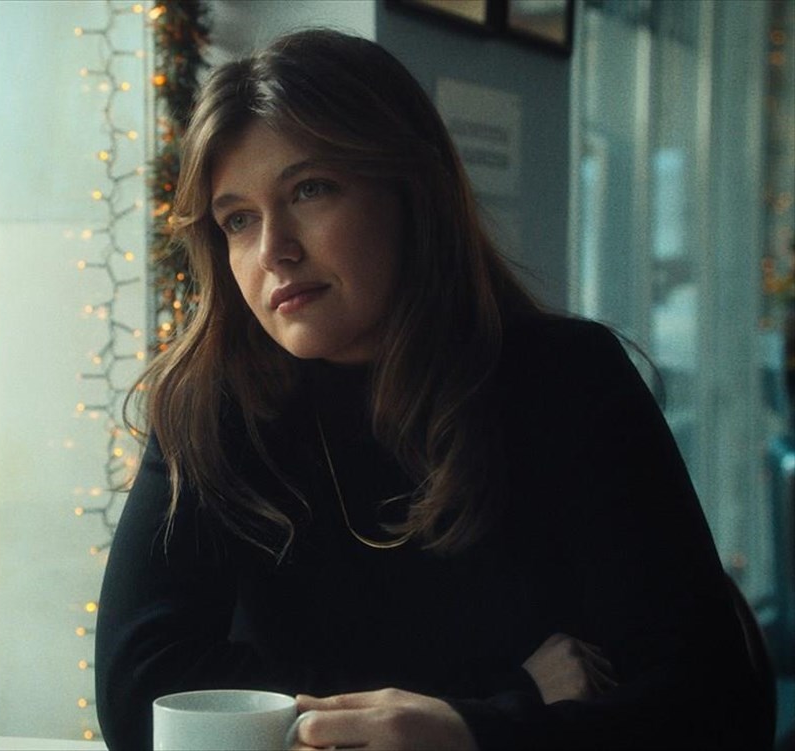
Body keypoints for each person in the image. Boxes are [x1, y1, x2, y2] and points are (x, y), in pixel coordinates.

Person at [95, 28, 768, 750]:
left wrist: (468, 731)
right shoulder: (213, 406)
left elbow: (714, 706)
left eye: (310, 190)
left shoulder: (569, 380)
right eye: (238, 220)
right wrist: (494, 698)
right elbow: (143, 697)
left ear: (409, 191)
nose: (273, 251)